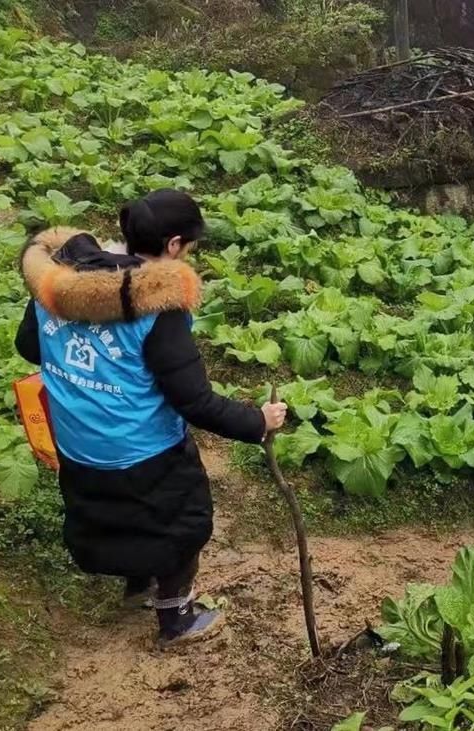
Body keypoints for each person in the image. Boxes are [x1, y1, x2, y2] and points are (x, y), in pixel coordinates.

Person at [15, 189, 288, 648]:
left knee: (110, 514)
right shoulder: (157, 306)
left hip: (78, 442)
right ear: (176, 245)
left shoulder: (59, 287)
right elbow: (193, 400)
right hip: (142, 449)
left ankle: (136, 583)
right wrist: (257, 422)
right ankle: (176, 618)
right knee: (182, 520)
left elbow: (29, 346)